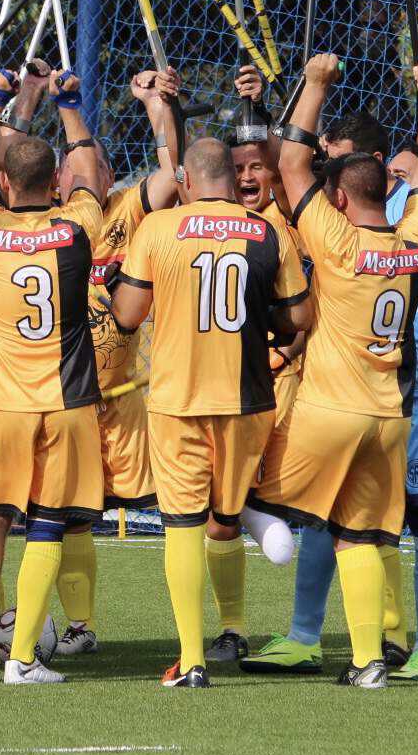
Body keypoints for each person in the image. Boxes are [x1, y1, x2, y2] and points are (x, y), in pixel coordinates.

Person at [244, 54, 418, 689]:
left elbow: (290, 161)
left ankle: (257, 542)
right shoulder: (414, 243)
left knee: (234, 489)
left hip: (330, 413)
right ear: (389, 190)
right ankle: (366, 664)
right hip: (389, 417)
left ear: (337, 197)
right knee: (355, 535)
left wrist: (315, 85)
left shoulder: (333, 241)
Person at [111, 137, 310, 687]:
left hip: (179, 401)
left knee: (181, 527)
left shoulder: (158, 228)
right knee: (224, 522)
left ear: (188, 182)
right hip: (248, 400)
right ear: (229, 177)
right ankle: (234, 627)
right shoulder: (267, 230)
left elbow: (127, 316)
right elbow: (298, 316)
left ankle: (192, 659)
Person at [0, 66, 107, 685]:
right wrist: (70, 105)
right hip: (67, 399)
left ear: (3, 182)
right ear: (56, 183)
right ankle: (23, 658)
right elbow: (93, 178)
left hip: (1, 401)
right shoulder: (77, 226)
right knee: (48, 522)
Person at [44, 66, 183, 656]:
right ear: (57, 181)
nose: (89, 173)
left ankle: (203, 629)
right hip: (61, 400)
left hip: (122, 399)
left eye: (97, 164)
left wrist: (156, 108)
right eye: (77, 167)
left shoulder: (128, 207)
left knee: (174, 507)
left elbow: (172, 174)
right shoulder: (41, 225)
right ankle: (79, 625)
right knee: (68, 515)